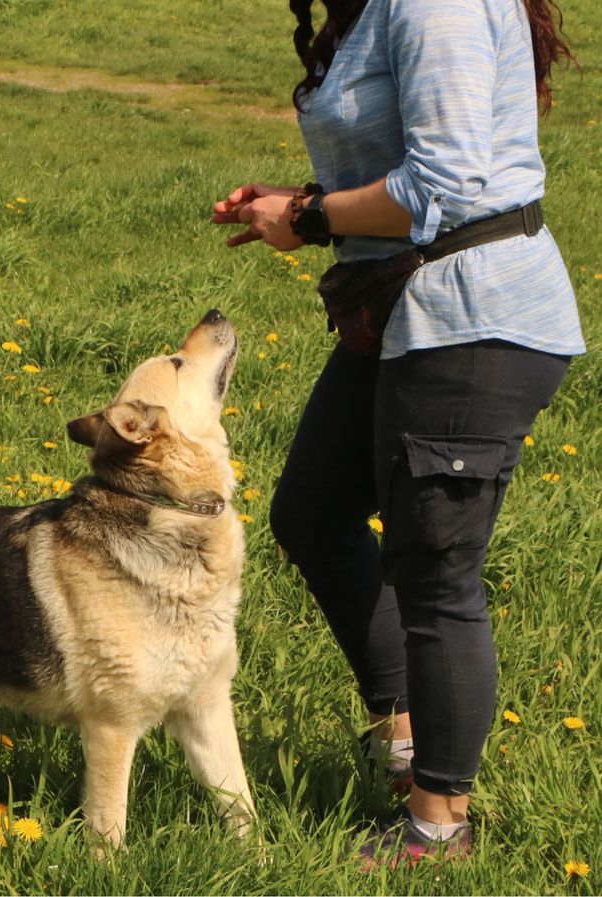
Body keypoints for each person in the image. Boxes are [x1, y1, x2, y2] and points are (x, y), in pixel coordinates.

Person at [212, 0, 585, 864]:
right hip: (410, 309)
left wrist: (309, 220)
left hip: (474, 317)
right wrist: (306, 203)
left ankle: (436, 825)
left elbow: (448, 182)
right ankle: (408, 732)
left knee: (436, 570)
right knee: (310, 509)